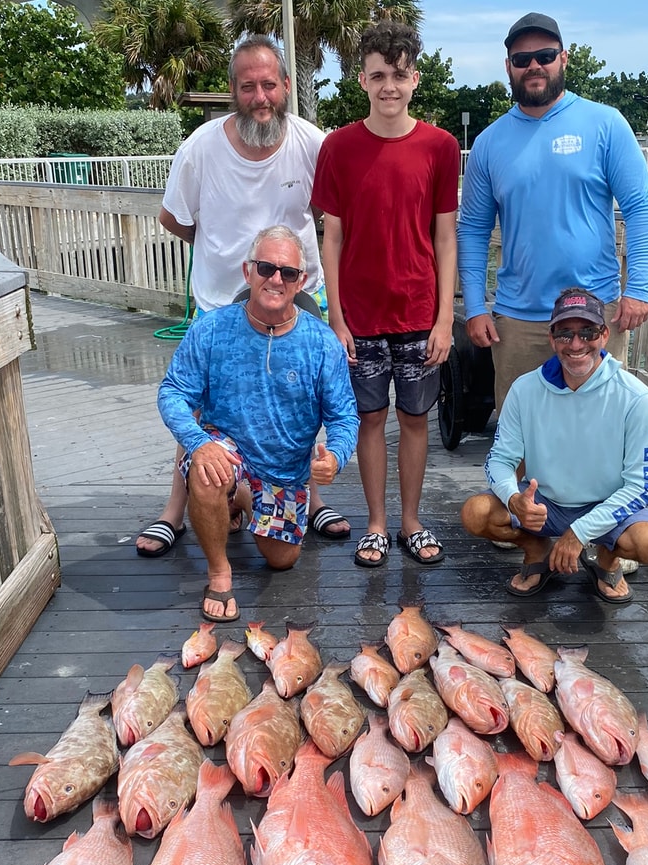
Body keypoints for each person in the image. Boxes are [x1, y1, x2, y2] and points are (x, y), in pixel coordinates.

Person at [137, 34, 350, 558]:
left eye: (270, 85)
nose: (261, 96)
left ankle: (308, 495)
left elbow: (333, 222)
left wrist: (286, 276)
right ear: (233, 89)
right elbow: (175, 219)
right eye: (249, 86)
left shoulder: (313, 144)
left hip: (299, 295)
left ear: (286, 87)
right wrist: (228, 258)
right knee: (203, 406)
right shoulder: (201, 147)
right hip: (220, 301)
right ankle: (176, 507)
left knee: (298, 399)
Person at [312, 20, 460, 569]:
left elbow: (445, 237)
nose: (389, 86)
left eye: (399, 75)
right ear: (362, 80)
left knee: (417, 420)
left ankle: (411, 521)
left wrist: (446, 318)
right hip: (362, 317)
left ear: (415, 78)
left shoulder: (441, 147)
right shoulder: (338, 147)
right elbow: (332, 235)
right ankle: (375, 523)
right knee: (371, 419)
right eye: (379, 75)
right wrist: (337, 317)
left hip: (420, 314)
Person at [157, 226, 359, 623]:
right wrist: (198, 443)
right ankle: (219, 572)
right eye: (266, 267)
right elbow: (172, 393)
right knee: (208, 471)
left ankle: (243, 499)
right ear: (248, 271)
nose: (276, 279)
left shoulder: (322, 344)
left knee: (282, 560)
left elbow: (344, 415)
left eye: (287, 272)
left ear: (302, 281)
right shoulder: (211, 329)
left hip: (285, 471)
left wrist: (335, 455)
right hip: (225, 448)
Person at [457, 11, 648, 403]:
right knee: (520, 443)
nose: (534, 65)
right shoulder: (487, 143)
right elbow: (473, 230)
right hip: (518, 322)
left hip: (596, 315)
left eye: (545, 55)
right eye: (521, 59)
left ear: (563, 59)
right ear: (509, 68)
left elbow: (639, 209)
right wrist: (477, 306)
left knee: (600, 434)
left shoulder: (606, 124)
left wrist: (637, 288)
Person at [460, 287, 648, 603]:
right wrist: (514, 498)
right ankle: (536, 550)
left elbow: (644, 485)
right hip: (547, 503)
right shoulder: (524, 389)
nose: (576, 344)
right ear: (551, 338)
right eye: (564, 334)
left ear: (604, 335)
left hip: (606, 505)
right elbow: (500, 458)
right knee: (476, 513)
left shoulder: (635, 397)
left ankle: (606, 560)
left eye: (587, 332)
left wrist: (580, 533)